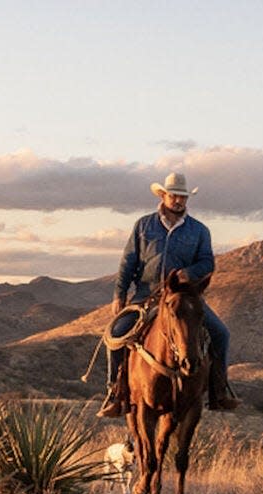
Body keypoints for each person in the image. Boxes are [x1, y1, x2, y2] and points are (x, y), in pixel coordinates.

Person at [98, 172, 239, 417]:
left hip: (183, 297)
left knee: (221, 334)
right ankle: (115, 392)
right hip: (146, 296)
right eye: (174, 195)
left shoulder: (199, 231)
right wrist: (119, 293)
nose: (178, 200)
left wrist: (189, 273)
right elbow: (128, 261)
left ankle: (219, 391)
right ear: (163, 195)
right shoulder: (144, 225)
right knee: (116, 334)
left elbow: (208, 262)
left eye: (182, 196)